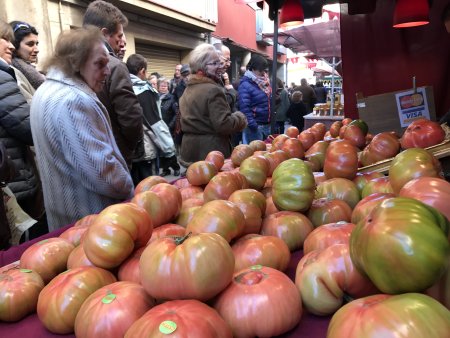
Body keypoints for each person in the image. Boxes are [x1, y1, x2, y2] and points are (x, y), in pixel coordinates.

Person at [30, 28, 134, 231]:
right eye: (99, 64)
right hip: (91, 223)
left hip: (65, 219)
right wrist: (129, 187)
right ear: (75, 62)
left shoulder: (44, 90)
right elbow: (102, 173)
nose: (108, 71)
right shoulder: (74, 100)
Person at [83, 0, 144, 169]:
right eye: (118, 36)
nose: (122, 42)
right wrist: (129, 148)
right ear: (104, 34)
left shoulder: (69, 63)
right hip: (114, 156)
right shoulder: (114, 66)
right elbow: (131, 118)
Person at [0, 20, 41, 229]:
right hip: (15, 178)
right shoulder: (4, 76)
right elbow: (28, 127)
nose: (11, 46)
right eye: (4, 39)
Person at [179, 43, 247, 166]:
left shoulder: (189, 88)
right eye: (214, 63)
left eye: (219, 62)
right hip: (210, 153)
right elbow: (224, 124)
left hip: (190, 150)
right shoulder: (212, 90)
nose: (220, 67)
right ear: (202, 66)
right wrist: (240, 118)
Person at [238, 54, 272, 144]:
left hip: (266, 125)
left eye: (264, 70)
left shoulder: (264, 82)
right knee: (253, 154)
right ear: (253, 68)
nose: (263, 73)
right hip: (254, 127)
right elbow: (244, 108)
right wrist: (253, 125)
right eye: (260, 70)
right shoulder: (245, 85)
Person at [9, 21, 45, 101]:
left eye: (36, 44)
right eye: (30, 44)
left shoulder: (33, 72)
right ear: (15, 45)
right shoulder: (13, 74)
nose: (36, 50)